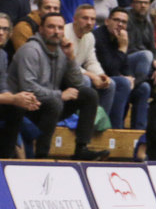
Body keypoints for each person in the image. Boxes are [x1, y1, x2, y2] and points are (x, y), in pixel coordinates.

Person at [9, 12, 109, 160]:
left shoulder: (61, 51)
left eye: (60, 28)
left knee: (88, 94)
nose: (56, 31)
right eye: (51, 27)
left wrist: (71, 58)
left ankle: (81, 149)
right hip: (21, 107)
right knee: (55, 102)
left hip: (46, 104)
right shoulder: (30, 50)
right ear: (41, 29)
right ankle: (41, 155)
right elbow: (28, 88)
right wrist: (60, 95)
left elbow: (78, 83)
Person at [62, 4, 122, 129]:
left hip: (77, 74)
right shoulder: (64, 33)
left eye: (93, 19)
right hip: (62, 76)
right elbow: (65, 64)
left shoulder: (89, 36)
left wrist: (101, 75)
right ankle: (83, 124)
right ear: (75, 19)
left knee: (110, 84)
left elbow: (91, 61)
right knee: (86, 81)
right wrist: (91, 76)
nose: (89, 22)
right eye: (85, 18)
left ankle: (98, 124)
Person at [0, 14, 42, 157]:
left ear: (10, 33)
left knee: (18, 107)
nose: (1, 33)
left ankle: (5, 160)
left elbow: (3, 86)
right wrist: (12, 99)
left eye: (5, 29)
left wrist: (24, 98)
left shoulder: (2, 55)